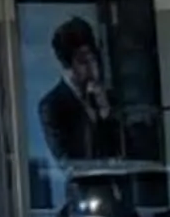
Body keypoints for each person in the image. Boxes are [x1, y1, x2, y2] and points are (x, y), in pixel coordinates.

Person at [38, 17, 128, 164]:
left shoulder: (105, 97)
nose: (91, 66)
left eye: (92, 58)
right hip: (84, 185)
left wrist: (105, 112)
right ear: (68, 64)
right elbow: (65, 161)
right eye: (83, 60)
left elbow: (122, 149)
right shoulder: (52, 106)